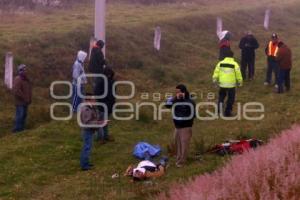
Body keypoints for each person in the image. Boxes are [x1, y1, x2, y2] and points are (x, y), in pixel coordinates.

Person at [166, 84, 195, 168]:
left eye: (178, 92)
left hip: (186, 127)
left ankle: (181, 162)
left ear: (183, 92)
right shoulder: (176, 99)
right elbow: (167, 105)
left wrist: (181, 100)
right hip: (177, 127)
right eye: (176, 92)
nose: (177, 93)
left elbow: (186, 111)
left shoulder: (190, 101)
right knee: (177, 144)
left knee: (184, 145)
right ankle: (178, 159)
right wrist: (176, 99)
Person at [80, 93, 108, 171]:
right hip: (87, 131)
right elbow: (88, 123)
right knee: (86, 148)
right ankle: (84, 165)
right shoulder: (86, 109)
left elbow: (93, 120)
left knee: (88, 147)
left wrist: (101, 122)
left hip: (90, 131)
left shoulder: (90, 107)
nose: (95, 101)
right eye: (93, 100)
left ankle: (86, 163)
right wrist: (101, 123)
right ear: (88, 100)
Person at [212, 49, 243, 117]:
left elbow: (216, 72)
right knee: (230, 99)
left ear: (225, 56)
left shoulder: (220, 63)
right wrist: (240, 82)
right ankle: (227, 112)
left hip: (222, 84)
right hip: (231, 85)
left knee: (221, 97)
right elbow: (238, 74)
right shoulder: (234, 64)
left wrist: (214, 79)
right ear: (232, 56)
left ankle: (218, 111)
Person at [94, 66, 116, 143]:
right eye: (108, 74)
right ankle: (100, 138)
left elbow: (113, 93)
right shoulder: (100, 81)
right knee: (100, 122)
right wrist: (103, 101)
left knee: (105, 122)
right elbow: (97, 93)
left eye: (110, 74)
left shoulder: (112, 81)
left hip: (109, 105)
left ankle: (105, 136)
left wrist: (112, 102)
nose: (109, 76)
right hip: (102, 105)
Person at [12, 64, 32, 133]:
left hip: (25, 102)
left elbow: (28, 90)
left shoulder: (26, 79)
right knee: (19, 116)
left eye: (26, 69)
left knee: (24, 115)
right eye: (24, 69)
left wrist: (29, 99)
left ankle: (22, 129)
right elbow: (16, 91)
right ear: (21, 70)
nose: (26, 71)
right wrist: (24, 98)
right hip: (20, 102)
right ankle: (17, 129)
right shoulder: (18, 79)